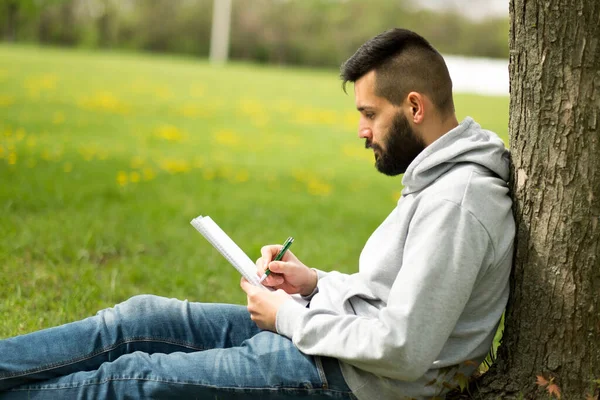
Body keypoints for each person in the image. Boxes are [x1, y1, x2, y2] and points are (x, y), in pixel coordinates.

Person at [0, 28, 514, 399]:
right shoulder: (440, 180)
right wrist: (312, 284)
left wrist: (287, 317)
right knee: (139, 318)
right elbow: (388, 299)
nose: (362, 131)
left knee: (134, 379)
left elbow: (403, 348)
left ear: (415, 107)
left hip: (346, 380)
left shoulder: (458, 202)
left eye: (369, 115)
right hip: (327, 339)